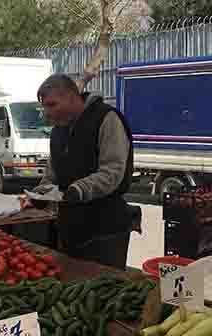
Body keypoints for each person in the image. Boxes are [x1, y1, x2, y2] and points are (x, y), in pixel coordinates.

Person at [35, 73, 134, 270]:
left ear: (72, 96)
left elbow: (113, 171)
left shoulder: (106, 118)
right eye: (44, 106)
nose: (47, 113)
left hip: (105, 228)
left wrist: (80, 189)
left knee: (104, 288)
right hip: (69, 227)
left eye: (52, 105)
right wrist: (42, 191)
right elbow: (51, 173)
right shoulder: (58, 131)